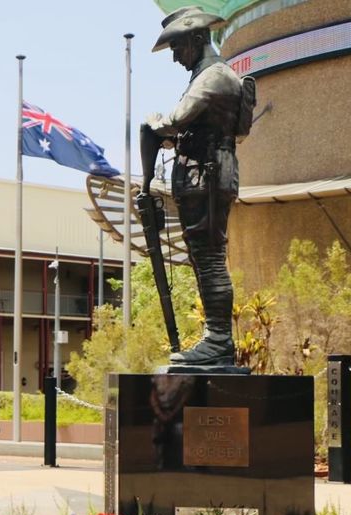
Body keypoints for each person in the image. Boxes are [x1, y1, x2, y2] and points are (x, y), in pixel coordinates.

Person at [146, 6, 244, 366]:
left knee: (210, 258)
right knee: (205, 258)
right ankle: (215, 338)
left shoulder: (214, 77)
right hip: (205, 174)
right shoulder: (208, 76)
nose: (174, 57)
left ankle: (218, 340)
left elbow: (175, 119)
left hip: (209, 176)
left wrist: (157, 121)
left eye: (177, 46)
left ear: (197, 38)